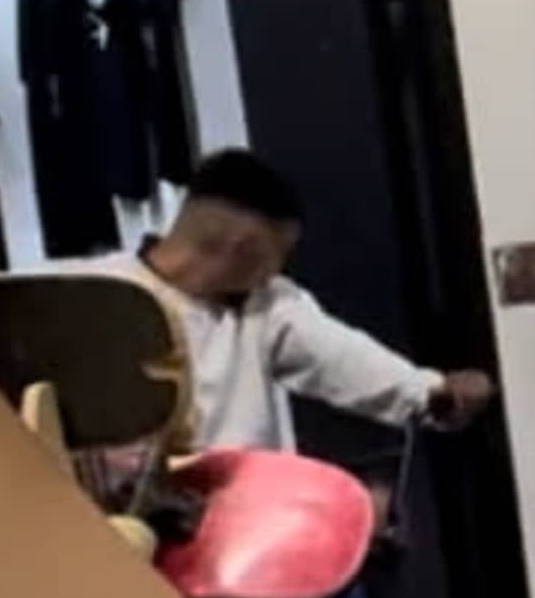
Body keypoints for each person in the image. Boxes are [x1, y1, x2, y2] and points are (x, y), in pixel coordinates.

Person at [120, 147, 496, 459]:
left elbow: (340, 357)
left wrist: (431, 393)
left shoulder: (268, 305)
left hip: (244, 519)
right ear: (243, 250)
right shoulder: (89, 292)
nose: (275, 272)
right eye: (277, 255)